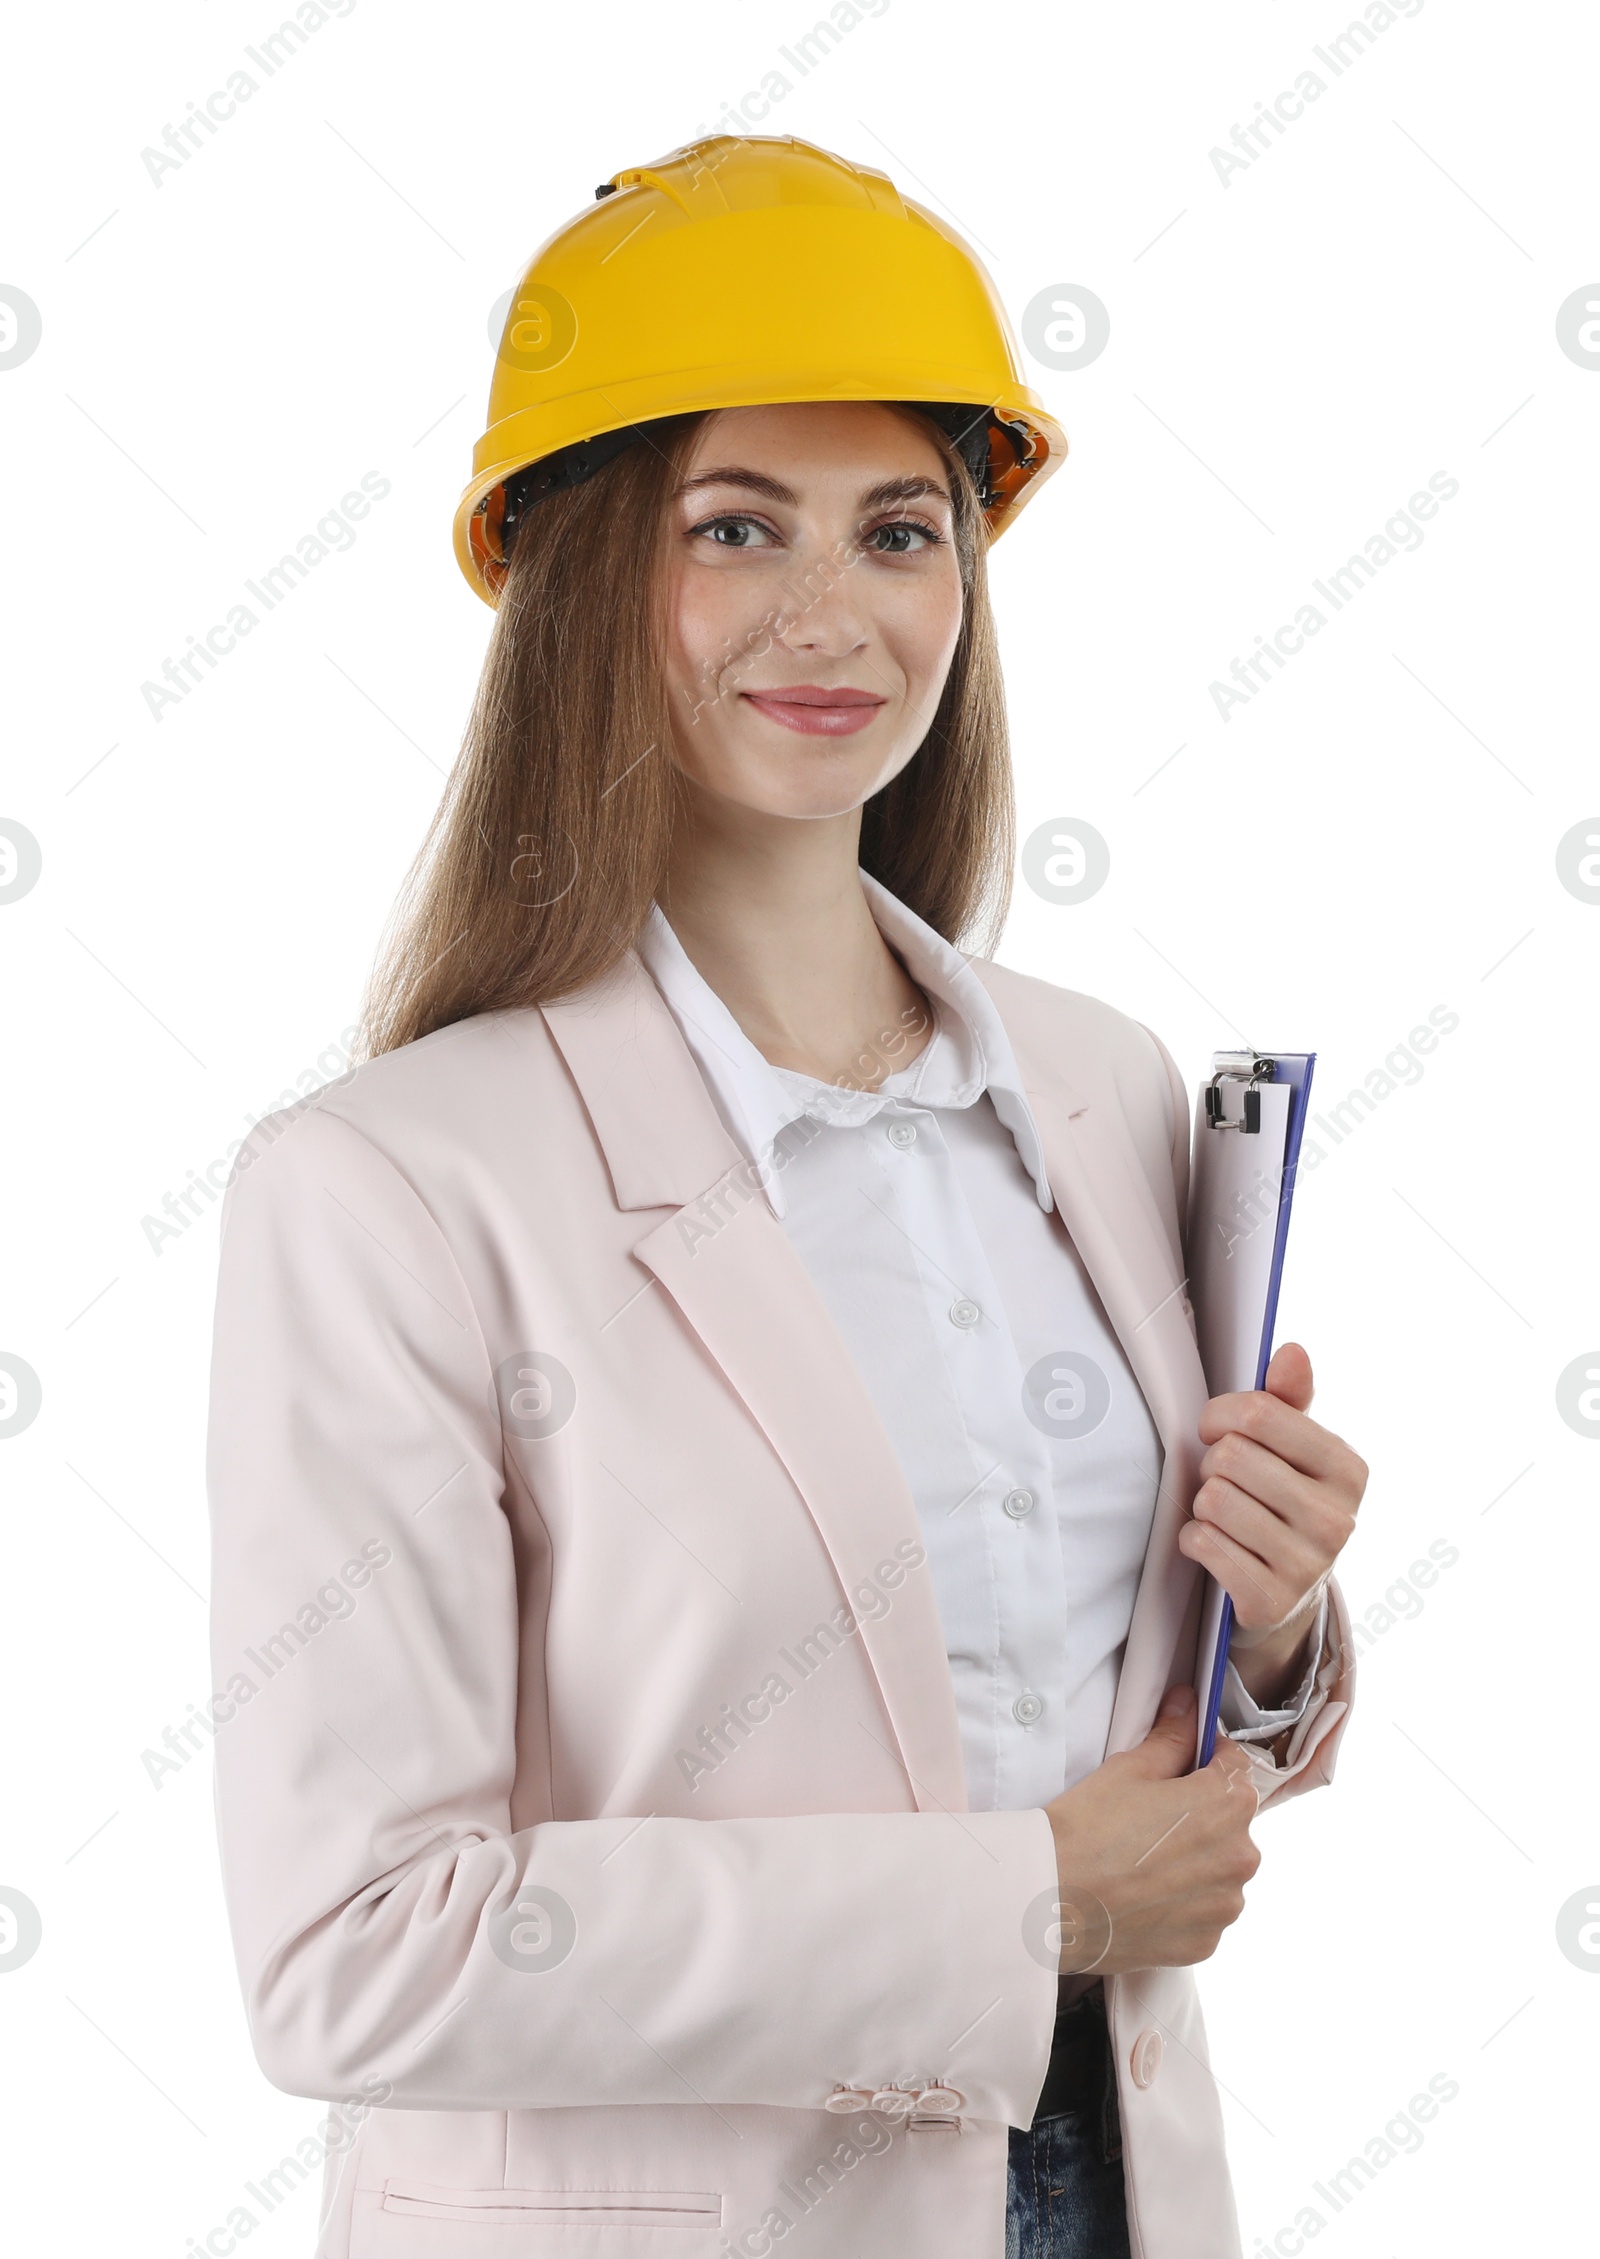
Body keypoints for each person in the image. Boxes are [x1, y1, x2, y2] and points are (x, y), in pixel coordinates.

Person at [206, 134, 1365, 2259]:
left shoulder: (1097, 1089)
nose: (831, 612)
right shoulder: (387, 1189)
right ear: (575, 578)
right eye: (733, 527)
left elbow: (1092, 1744)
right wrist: (1026, 1900)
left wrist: (1267, 1631)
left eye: (897, 529)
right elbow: (353, 1944)